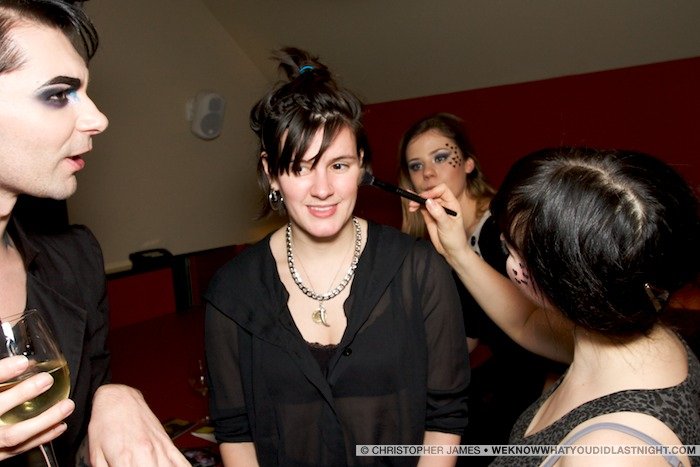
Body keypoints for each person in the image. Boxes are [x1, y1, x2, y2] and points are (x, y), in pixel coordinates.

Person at [204, 47, 470, 466]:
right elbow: (235, 431)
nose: (323, 189)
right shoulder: (232, 290)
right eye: (300, 167)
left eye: (339, 165)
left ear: (361, 166)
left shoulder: (419, 271)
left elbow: (446, 415)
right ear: (271, 173)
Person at [414, 147, 700, 466]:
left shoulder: (609, 454)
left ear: (568, 285)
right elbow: (525, 322)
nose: (509, 259)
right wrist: (457, 252)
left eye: (513, 250)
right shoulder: (626, 329)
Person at [0, 1, 189, 465]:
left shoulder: (75, 261)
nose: (98, 119)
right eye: (58, 94)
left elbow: (71, 447)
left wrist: (114, 397)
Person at [398, 113, 557, 456]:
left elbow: (550, 322)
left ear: (468, 163)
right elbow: (468, 333)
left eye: (441, 157)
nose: (428, 173)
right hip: (511, 374)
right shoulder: (442, 241)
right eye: (416, 165)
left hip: (546, 374)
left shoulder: (501, 228)